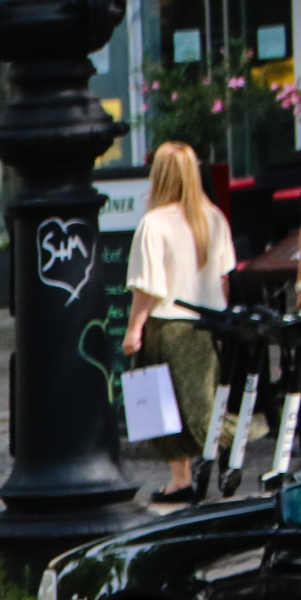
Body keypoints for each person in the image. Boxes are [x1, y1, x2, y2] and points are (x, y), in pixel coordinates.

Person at [122, 140, 235, 503]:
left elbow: (147, 287)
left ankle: (180, 478)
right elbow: (224, 278)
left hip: (167, 326)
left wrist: (133, 329)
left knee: (161, 410)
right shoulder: (213, 218)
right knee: (203, 403)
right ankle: (227, 452)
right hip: (209, 324)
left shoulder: (154, 224)